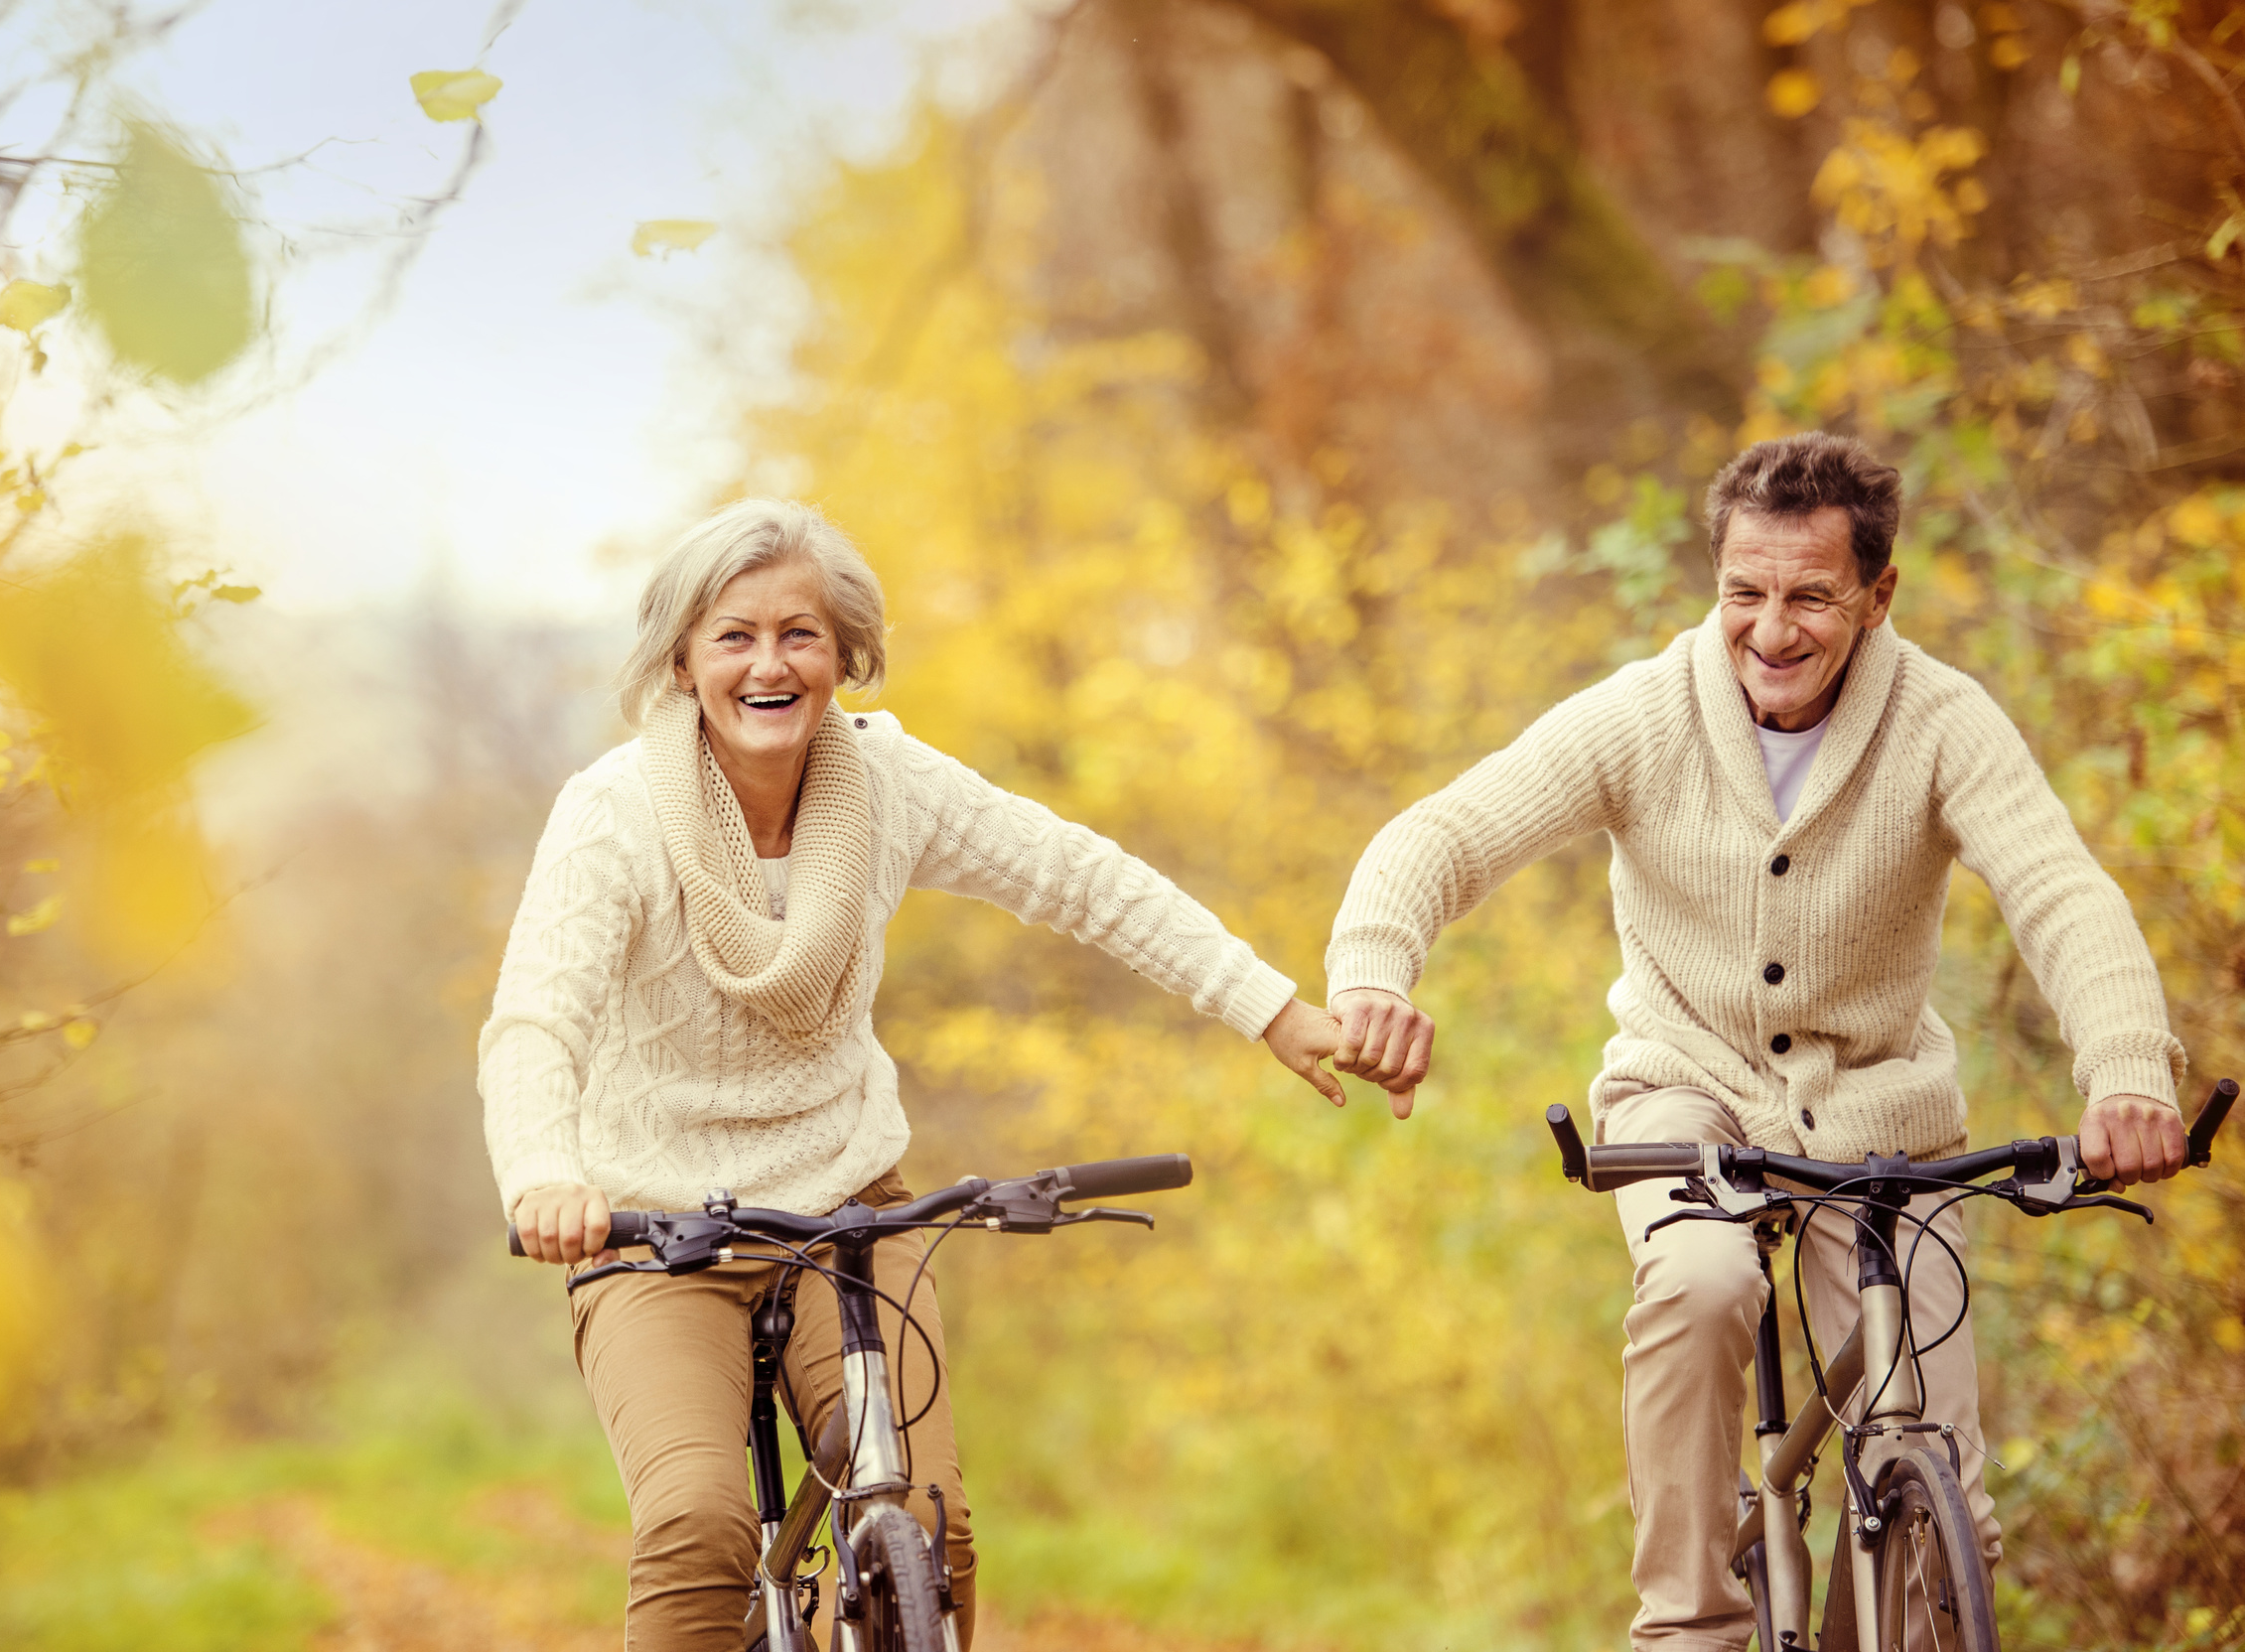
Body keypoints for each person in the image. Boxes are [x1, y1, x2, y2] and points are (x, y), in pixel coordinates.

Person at [1322, 433, 2187, 1651]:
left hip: (1882, 1114)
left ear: (1878, 597)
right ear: (1716, 583)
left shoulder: (1942, 722)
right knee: (1699, 1277)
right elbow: (1446, 835)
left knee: (1945, 1502)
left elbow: (2062, 892)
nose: (1769, 629)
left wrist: (2128, 1069)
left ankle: (1896, 1599)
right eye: (1744, 591)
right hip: (1683, 1089)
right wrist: (1371, 972)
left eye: (1809, 596)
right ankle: (1688, 1623)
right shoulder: (1643, 713)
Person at [479, 496, 1343, 1650]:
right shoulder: (613, 814)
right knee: (696, 1521)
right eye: (733, 634)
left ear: (844, 654)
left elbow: (1078, 877)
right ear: (682, 661)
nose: (769, 663)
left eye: (801, 633)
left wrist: (1270, 1007)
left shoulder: (887, 785)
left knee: (924, 1516)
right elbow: (537, 1018)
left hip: (851, 1208)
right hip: (655, 1235)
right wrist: (543, 1172)